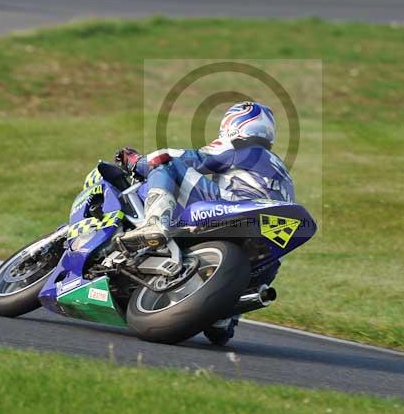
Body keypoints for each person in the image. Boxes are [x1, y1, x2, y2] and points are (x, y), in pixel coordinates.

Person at [115, 101, 294, 343]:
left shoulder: (243, 147)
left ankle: (155, 222)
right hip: (268, 247)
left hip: (235, 207)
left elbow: (188, 158)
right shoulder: (283, 171)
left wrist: (137, 161)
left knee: (168, 164)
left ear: (235, 125)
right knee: (220, 332)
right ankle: (224, 317)